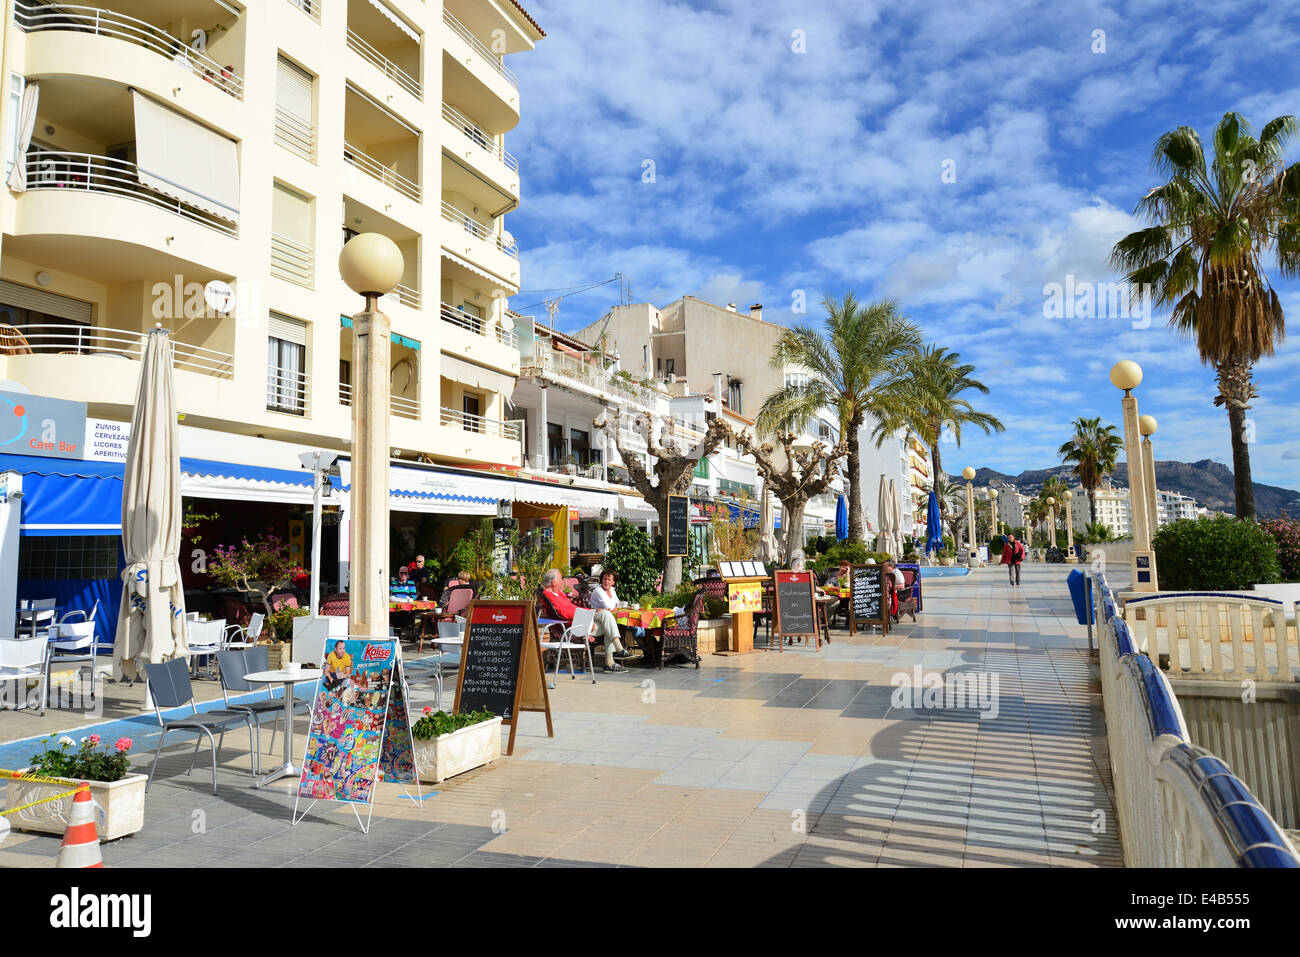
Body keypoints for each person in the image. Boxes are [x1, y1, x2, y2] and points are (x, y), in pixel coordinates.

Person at [541, 568, 633, 672]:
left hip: (579, 620)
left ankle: (615, 654)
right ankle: (614, 657)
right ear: (553, 582)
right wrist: (587, 615)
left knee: (606, 617)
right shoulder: (548, 595)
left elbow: (572, 608)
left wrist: (591, 611)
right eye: (561, 579)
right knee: (607, 621)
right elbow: (564, 613)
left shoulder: (558, 594)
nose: (563, 581)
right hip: (573, 627)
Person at [588, 569, 646, 649]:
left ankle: (644, 644)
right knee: (631, 623)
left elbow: (617, 604)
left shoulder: (611, 590)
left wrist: (614, 607)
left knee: (635, 622)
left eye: (609, 580)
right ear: (601, 580)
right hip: (600, 619)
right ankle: (641, 644)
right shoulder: (598, 591)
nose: (606, 581)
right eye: (604, 579)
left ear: (613, 582)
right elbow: (608, 606)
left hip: (613, 617)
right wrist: (614, 607)